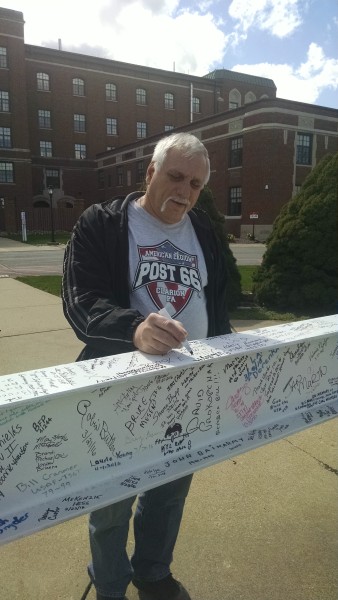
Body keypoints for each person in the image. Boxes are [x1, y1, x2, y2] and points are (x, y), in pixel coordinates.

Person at [62, 132, 231, 600]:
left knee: (169, 492)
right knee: (113, 500)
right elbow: (80, 302)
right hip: (121, 393)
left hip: (188, 390)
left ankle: (153, 572)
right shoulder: (103, 223)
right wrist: (134, 330)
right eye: (176, 177)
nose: (185, 191)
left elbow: (215, 299)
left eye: (196, 184)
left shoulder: (204, 231)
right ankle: (110, 584)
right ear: (151, 172)